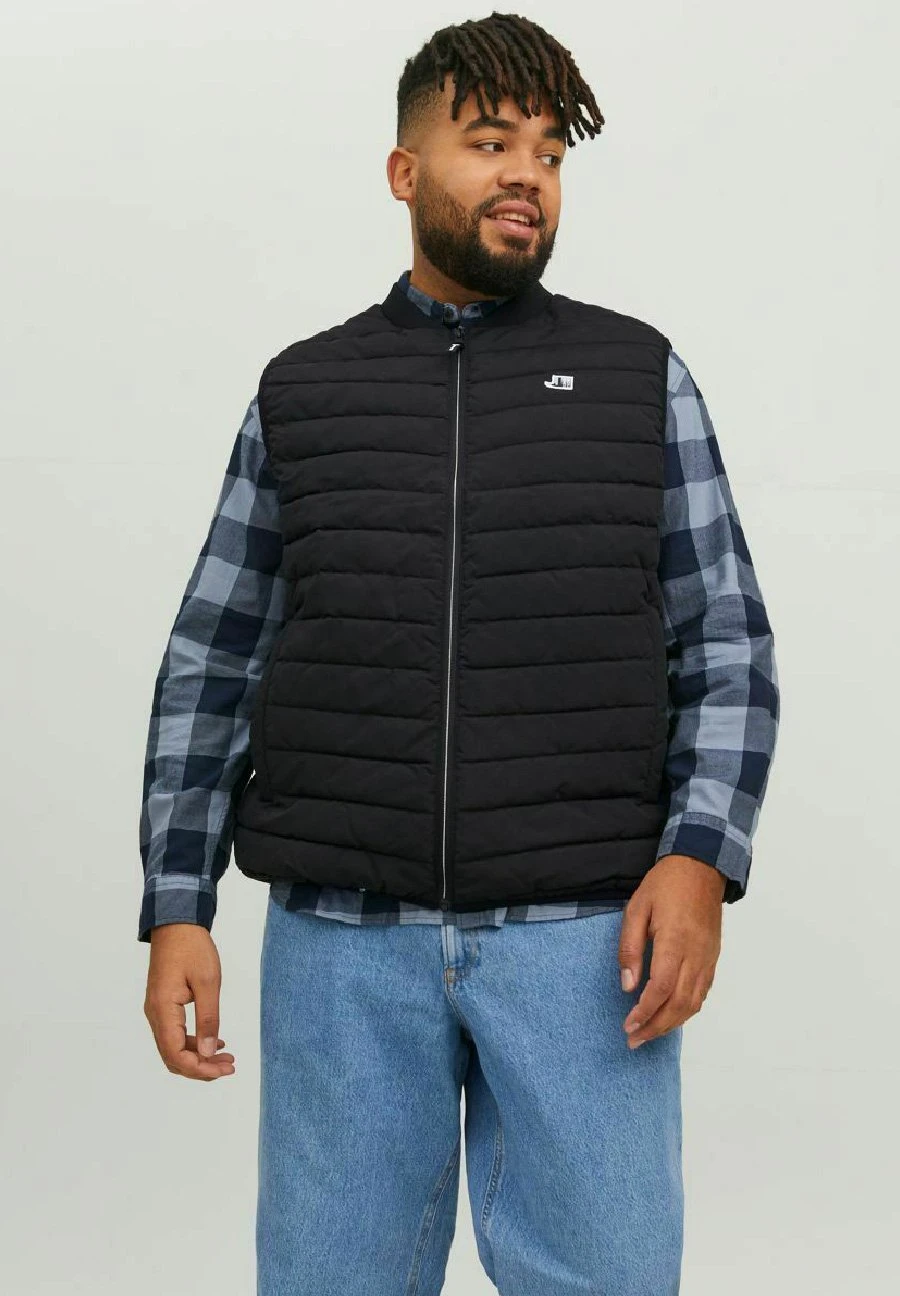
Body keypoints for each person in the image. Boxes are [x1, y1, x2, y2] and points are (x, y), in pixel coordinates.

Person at [139, 12, 780, 1294]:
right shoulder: (303, 392)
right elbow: (216, 653)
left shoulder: (637, 376)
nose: (526, 177)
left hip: (586, 947)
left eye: (549, 153)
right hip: (342, 953)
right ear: (404, 170)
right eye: (490, 143)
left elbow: (727, 641)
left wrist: (701, 857)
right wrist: (175, 904)